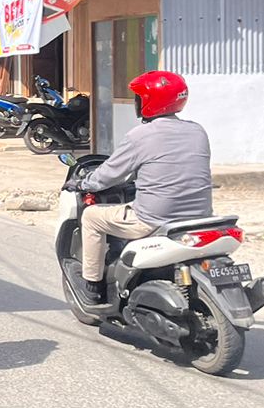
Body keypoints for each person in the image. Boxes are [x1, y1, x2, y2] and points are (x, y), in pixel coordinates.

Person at [74, 70, 212, 304]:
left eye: (138, 98)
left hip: (153, 219)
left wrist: (81, 183)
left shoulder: (141, 135)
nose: (135, 103)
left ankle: (92, 286)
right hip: (199, 218)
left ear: (148, 102)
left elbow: (107, 176)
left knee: (90, 217)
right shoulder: (197, 130)